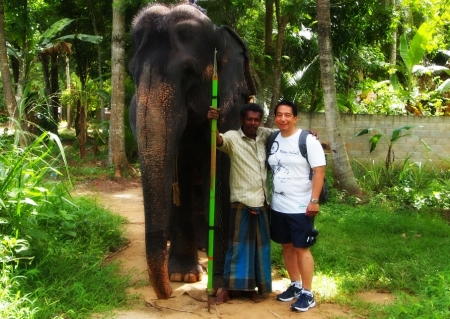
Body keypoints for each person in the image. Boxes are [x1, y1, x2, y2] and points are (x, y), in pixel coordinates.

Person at [207, 103, 273, 304]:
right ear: (242, 120)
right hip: (241, 202)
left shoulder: (265, 135)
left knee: (258, 250)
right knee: (237, 248)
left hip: (262, 203)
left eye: (256, 119)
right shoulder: (233, 138)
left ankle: (251, 289)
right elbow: (218, 140)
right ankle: (227, 288)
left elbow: (287, 133)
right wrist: (213, 123)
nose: (253, 123)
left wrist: (309, 134)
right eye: (249, 119)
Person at [267, 99, 326, 312]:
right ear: (275, 117)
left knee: (302, 249)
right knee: (286, 246)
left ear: (295, 118)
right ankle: (295, 285)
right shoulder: (273, 138)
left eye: (287, 115)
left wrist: (314, 200)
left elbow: (319, 171)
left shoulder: (307, 140)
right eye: (279, 115)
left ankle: (308, 294)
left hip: (301, 206)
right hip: (279, 205)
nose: (283, 119)